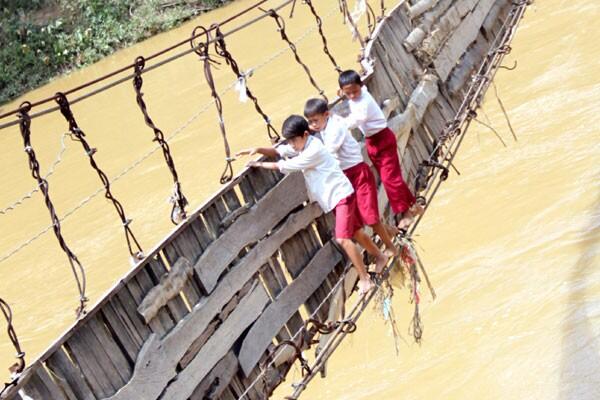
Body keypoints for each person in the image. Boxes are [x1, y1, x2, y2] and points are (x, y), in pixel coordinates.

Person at [236, 115, 388, 295]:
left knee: (343, 239)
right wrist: (258, 149)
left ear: (305, 134)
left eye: (294, 140)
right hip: (337, 197)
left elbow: (287, 165)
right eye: (290, 141)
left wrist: (259, 164)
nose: (292, 145)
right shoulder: (303, 145)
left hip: (340, 196)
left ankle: (364, 278)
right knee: (356, 232)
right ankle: (380, 256)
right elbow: (280, 151)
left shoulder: (313, 151)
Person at [303, 98, 399, 259]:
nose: (313, 125)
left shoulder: (335, 129)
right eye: (310, 122)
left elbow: (328, 152)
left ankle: (391, 247)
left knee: (370, 217)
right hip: (345, 178)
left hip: (358, 174)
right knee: (358, 222)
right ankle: (388, 234)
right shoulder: (325, 125)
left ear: (326, 115)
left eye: (315, 121)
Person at [338, 69, 423, 229]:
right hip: (372, 142)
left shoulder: (363, 100)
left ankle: (406, 213)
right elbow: (353, 97)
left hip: (383, 139)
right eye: (347, 93)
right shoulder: (355, 97)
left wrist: (337, 124)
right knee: (389, 178)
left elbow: (358, 119)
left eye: (354, 91)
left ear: (361, 86)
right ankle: (414, 206)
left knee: (390, 179)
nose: (352, 96)